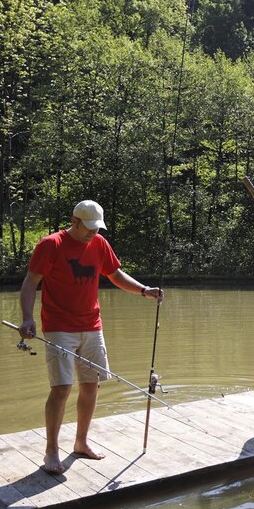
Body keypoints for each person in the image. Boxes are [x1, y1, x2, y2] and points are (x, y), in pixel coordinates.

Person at [18, 199, 163, 474]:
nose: (93, 234)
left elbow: (115, 274)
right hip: (59, 326)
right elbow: (30, 282)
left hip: (92, 326)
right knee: (61, 388)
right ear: (74, 222)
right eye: (88, 228)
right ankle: (51, 451)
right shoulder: (51, 245)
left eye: (97, 228)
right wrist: (27, 317)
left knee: (90, 385)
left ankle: (81, 443)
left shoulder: (99, 244)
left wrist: (145, 290)